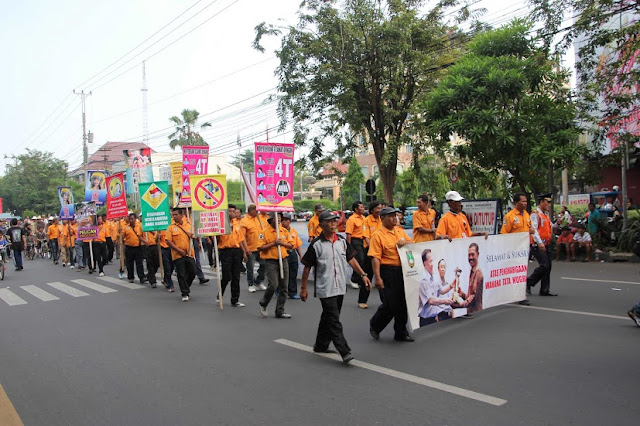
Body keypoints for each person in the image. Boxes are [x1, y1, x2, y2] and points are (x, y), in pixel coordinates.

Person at [300, 210, 371, 363]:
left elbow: (351, 260)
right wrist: (303, 288)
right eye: (329, 221)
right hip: (325, 287)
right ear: (321, 225)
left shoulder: (342, 241)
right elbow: (306, 267)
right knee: (334, 320)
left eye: (334, 221)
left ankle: (320, 345)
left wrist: (363, 275)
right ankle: (344, 351)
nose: (333, 224)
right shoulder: (316, 245)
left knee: (329, 317)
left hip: (339, 287)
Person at [368, 207, 415, 342]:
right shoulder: (378, 235)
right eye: (391, 216)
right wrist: (377, 277)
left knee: (402, 302)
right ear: (382, 219)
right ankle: (375, 325)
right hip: (387, 271)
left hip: (402, 270)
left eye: (395, 215)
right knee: (390, 303)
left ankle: (401, 332)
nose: (395, 218)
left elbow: (412, 244)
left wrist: (404, 242)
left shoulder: (400, 232)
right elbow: (375, 258)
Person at [500, 193, 534, 305]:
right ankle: (518, 295)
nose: (525, 203)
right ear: (516, 203)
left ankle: (519, 294)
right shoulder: (509, 217)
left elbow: (530, 228)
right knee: (515, 273)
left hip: (524, 250)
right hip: (513, 251)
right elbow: (504, 234)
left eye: (526, 201)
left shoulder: (526, 215)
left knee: (522, 272)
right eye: (522, 201)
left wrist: (531, 231)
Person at [258, 212, 293, 318]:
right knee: (273, 285)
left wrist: (282, 243)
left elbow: (291, 245)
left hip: (284, 260)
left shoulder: (284, 231)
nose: (278, 220)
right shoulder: (264, 232)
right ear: (271, 219)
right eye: (276, 218)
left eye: (280, 218)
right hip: (271, 262)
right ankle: (264, 302)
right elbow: (260, 247)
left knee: (284, 287)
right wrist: (273, 243)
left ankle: (280, 310)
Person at [217, 205, 247, 307]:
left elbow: (241, 239)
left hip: (236, 251)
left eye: (233, 211)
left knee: (236, 277)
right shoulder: (221, 224)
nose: (232, 213)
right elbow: (215, 239)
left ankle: (235, 299)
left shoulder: (237, 224)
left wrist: (244, 252)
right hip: (225, 251)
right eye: (229, 211)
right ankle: (220, 294)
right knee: (226, 276)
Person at [527, 193, 557, 296]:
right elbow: (534, 229)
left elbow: (550, 226)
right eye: (547, 202)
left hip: (546, 244)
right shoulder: (535, 214)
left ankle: (544, 290)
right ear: (541, 202)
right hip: (538, 244)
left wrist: (558, 224)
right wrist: (539, 243)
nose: (549, 204)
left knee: (548, 267)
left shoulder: (545, 214)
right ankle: (529, 282)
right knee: (544, 265)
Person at [165, 208, 198, 302]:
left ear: (182, 214)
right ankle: (185, 293)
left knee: (193, 272)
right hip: (177, 255)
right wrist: (178, 250)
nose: (174, 216)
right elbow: (168, 241)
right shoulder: (171, 227)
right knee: (181, 274)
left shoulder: (189, 225)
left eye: (176, 214)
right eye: (173, 215)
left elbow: (195, 236)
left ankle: (185, 286)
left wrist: (193, 236)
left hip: (189, 253)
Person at [359, 200, 383, 307]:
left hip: (382, 252)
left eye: (381, 208)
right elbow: (366, 237)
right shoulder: (367, 221)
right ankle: (362, 300)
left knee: (382, 276)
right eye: (378, 208)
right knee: (368, 275)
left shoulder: (383, 219)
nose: (380, 210)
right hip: (370, 251)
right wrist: (373, 248)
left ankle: (385, 300)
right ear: (372, 210)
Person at [240, 204, 266, 292]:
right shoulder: (244, 221)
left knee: (264, 264)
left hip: (260, 247)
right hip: (250, 248)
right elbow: (242, 236)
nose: (257, 212)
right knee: (250, 267)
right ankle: (250, 284)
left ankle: (259, 281)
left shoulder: (259, 218)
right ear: (251, 211)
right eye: (256, 211)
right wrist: (245, 249)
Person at [345, 201, 366, 292]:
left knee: (364, 260)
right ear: (356, 209)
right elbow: (349, 234)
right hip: (355, 241)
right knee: (359, 259)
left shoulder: (363, 218)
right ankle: (354, 279)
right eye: (361, 207)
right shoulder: (351, 219)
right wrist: (348, 246)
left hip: (363, 241)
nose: (363, 208)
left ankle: (360, 279)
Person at [281, 214, 303, 299]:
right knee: (283, 273)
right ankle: (280, 290)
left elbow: (297, 244)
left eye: (286, 220)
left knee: (293, 272)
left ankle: (292, 292)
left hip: (292, 253)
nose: (284, 222)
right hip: (284, 253)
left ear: (289, 221)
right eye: (282, 220)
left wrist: (300, 255)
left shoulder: (293, 231)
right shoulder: (279, 230)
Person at [122, 213, 147, 284]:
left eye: (132, 219)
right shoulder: (126, 227)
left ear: (135, 219)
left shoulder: (139, 226)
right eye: (129, 219)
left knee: (139, 263)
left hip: (138, 247)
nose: (130, 220)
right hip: (129, 247)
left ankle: (141, 277)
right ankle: (130, 277)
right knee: (129, 263)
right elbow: (123, 237)